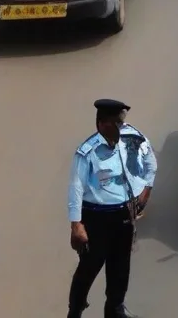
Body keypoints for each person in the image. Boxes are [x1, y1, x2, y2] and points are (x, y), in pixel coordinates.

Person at [67, 98, 157, 318]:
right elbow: (76, 188)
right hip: (96, 218)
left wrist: (145, 192)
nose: (120, 128)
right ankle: (75, 311)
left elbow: (151, 163)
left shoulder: (132, 139)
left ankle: (115, 310)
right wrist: (76, 225)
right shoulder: (87, 151)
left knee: (120, 267)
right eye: (115, 124)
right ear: (101, 124)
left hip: (124, 216)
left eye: (121, 123)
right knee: (89, 268)